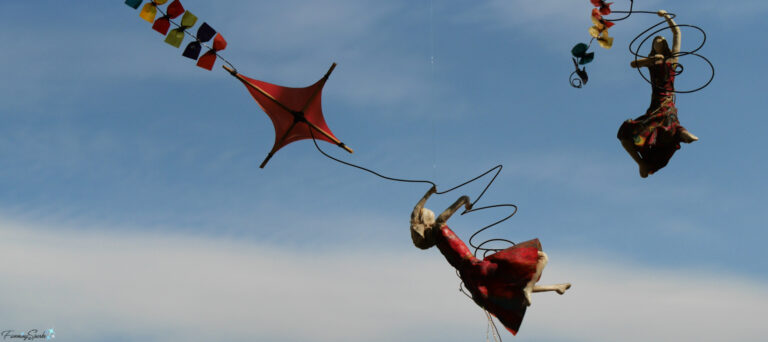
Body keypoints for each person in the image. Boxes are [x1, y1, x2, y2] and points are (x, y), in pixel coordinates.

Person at [410, 186, 571, 335]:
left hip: (470, 274)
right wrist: (465, 201)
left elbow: (415, 213)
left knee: (510, 288)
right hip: (475, 267)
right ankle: (531, 287)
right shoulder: (438, 225)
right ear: (427, 220)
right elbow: (458, 200)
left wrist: (429, 195)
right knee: (541, 257)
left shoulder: (434, 237)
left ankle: (555, 287)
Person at [617, 10, 699, 178]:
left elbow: (677, 33)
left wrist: (667, 17)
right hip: (655, 104)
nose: (659, 40)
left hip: (667, 101)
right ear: (653, 47)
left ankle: (681, 133)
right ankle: (641, 162)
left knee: (668, 115)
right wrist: (652, 60)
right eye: (656, 40)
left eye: (662, 39)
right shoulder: (652, 62)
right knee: (625, 134)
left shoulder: (672, 61)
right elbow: (633, 64)